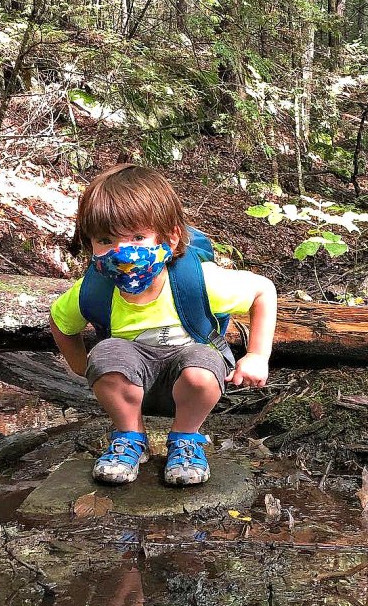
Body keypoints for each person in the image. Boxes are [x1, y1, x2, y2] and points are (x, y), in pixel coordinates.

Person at [49, 164, 277, 486]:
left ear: (169, 238)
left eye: (138, 237)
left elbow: (262, 290)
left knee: (201, 364)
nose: (122, 253)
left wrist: (256, 355)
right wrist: (80, 365)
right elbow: (60, 321)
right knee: (107, 353)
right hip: (132, 382)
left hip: (192, 381)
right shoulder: (95, 288)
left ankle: (186, 438)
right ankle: (130, 436)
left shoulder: (196, 281)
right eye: (105, 240)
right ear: (90, 244)